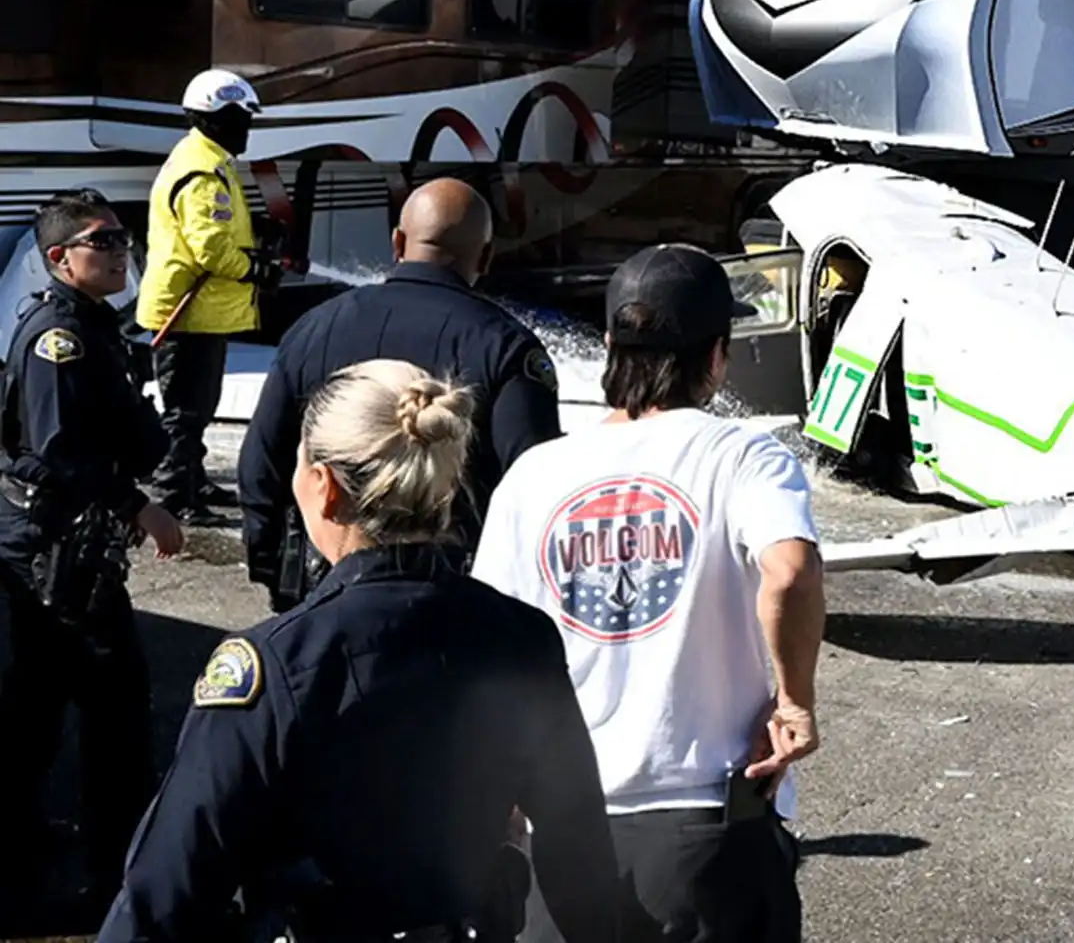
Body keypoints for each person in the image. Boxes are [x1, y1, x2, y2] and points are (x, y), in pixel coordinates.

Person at [97, 359, 620, 943]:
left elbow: (166, 892)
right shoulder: (520, 637)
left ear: (324, 486)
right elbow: (582, 862)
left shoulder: (276, 662)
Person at [472, 243, 825, 943]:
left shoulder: (535, 475)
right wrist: (795, 701)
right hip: (710, 824)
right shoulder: (744, 455)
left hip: (566, 826)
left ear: (609, 345)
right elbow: (788, 571)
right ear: (717, 355)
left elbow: (490, 645)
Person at [237, 177, 562, 611]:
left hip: (326, 587)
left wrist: (272, 567)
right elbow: (536, 488)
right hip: (455, 599)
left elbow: (262, 462)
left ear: (397, 242)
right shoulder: (506, 348)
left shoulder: (316, 328)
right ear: (485, 257)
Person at [0, 192, 184, 916]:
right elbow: (57, 453)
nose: (118, 249)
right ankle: (121, 871)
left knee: (37, 705)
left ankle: (19, 839)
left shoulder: (93, 326)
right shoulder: (59, 339)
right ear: (59, 260)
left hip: (68, 548)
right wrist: (138, 506)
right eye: (100, 240)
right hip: (57, 551)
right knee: (115, 711)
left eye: (121, 237)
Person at [136, 68, 284, 526]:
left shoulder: (208, 158)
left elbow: (218, 229)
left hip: (203, 313)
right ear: (214, 118)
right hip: (188, 312)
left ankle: (192, 478)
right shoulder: (202, 170)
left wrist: (256, 230)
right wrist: (256, 270)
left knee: (199, 407)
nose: (247, 128)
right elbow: (211, 248)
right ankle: (174, 494)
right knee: (185, 411)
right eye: (241, 118)